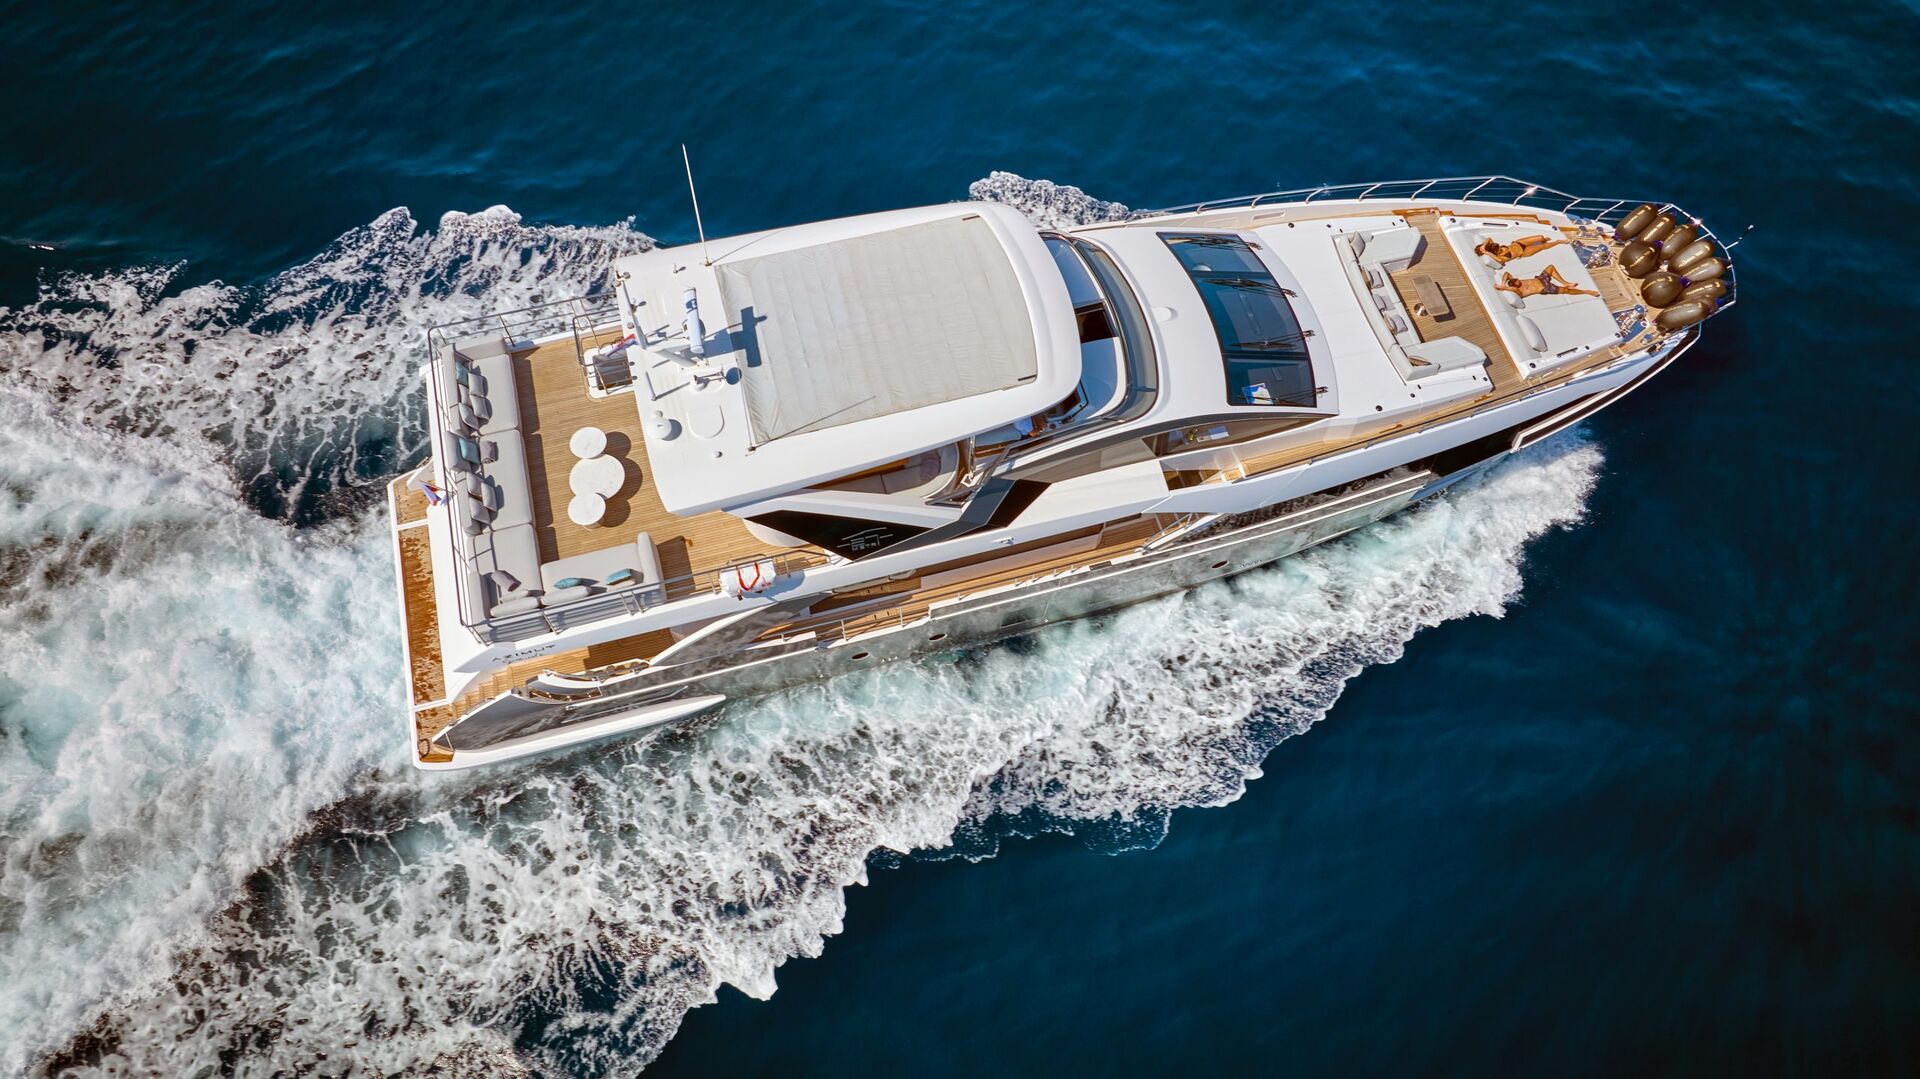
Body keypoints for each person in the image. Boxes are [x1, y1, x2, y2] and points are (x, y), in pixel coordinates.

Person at [1496, 265, 1601, 299]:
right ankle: (1587, 292)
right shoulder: (1519, 291)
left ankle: (1565, 282)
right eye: (1517, 281)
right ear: (1515, 286)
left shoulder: (1515, 281)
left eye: (1517, 279)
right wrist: (1504, 288)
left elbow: (1506, 273)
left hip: (1541, 279)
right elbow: (1513, 289)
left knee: (1550, 267)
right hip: (1546, 288)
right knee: (1566, 291)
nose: (1518, 279)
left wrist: (1503, 283)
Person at [1474, 234, 1571, 265]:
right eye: (1498, 249)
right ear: (1494, 252)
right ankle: (1559, 241)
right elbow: (1500, 261)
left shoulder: (1492, 246)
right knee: (1543, 247)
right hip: (1523, 252)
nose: (1499, 248)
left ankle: (1544, 240)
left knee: (1540, 237)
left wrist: (1483, 245)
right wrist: (1486, 252)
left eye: (1499, 247)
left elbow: (1489, 238)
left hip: (1519, 243)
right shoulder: (1500, 257)